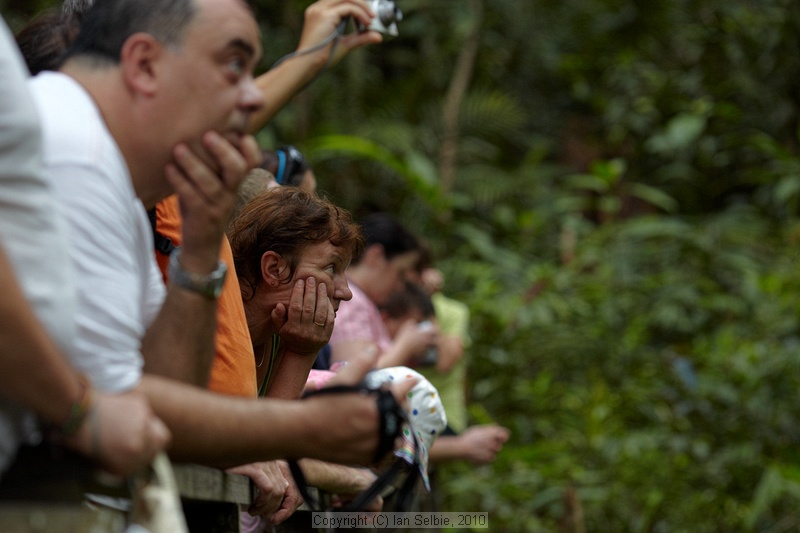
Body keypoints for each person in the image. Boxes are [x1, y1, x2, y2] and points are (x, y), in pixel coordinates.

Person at [28, 0, 411, 474]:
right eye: (234, 66)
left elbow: (165, 401)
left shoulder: (121, 189)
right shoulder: (73, 154)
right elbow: (122, 406)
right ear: (145, 64)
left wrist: (202, 246)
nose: (253, 99)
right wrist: (311, 429)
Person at [0, 14, 168, 478]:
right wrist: (80, 411)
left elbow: (155, 388)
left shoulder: (113, 177)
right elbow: (120, 402)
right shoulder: (78, 152)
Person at [328, 213, 438, 369]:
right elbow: (351, 375)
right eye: (400, 273)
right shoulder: (352, 301)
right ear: (376, 256)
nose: (400, 286)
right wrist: (403, 348)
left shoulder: (361, 300)